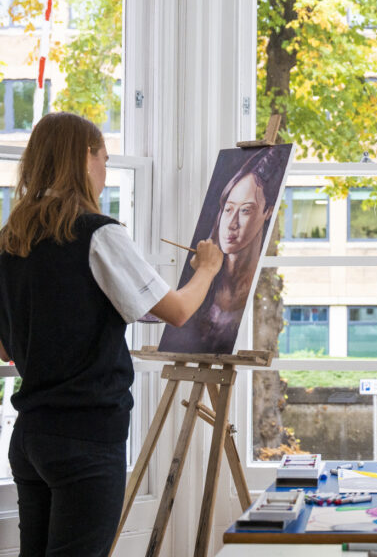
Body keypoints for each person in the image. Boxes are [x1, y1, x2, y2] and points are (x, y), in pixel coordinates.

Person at [0, 112, 223, 557]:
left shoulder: (11, 239)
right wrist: (209, 270)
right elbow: (177, 311)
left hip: (31, 437)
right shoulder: (97, 233)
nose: (104, 171)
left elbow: (6, 348)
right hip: (86, 436)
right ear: (84, 159)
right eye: (104, 158)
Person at [160, 145, 287, 354]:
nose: (232, 223)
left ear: (268, 212)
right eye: (228, 209)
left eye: (245, 211)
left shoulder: (255, 292)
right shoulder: (202, 279)